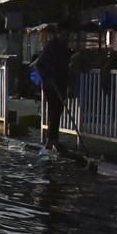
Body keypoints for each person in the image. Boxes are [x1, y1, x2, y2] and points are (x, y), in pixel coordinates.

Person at [32, 22, 73, 151]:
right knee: (54, 112)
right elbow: (39, 65)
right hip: (51, 84)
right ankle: (51, 140)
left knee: (57, 111)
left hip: (61, 82)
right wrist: (48, 77)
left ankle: (53, 139)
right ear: (59, 33)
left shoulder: (64, 47)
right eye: (64, 34)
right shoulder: (52, 46)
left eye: (67, 34)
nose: (66, 36)